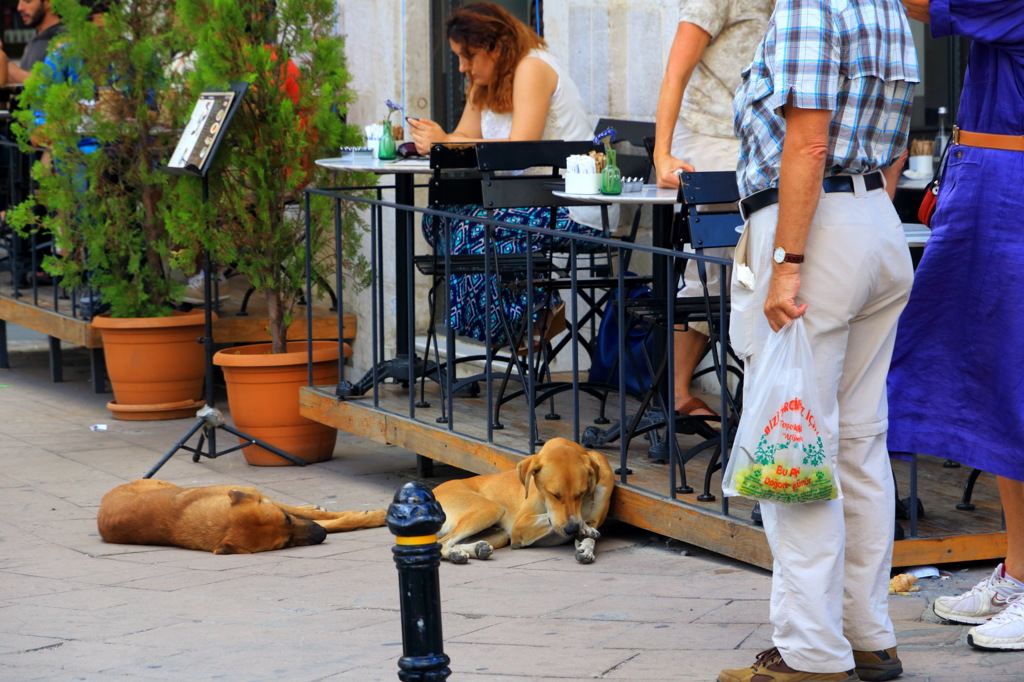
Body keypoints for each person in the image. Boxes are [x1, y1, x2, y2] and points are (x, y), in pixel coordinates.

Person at [722, 0, 917, 680]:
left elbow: (808, 142)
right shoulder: (883, 6)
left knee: (792, 444)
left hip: (814, 232)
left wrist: (788, 262)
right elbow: (895, 139)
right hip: (871, 221)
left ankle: (810, 654)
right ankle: (866, 636)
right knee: (858, 443)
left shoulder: (810, 6)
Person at [886, 0, 1024, 652]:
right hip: (992, 171)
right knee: (1001, 393)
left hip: (1010, 184)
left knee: (1015, 385)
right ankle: (1020, 572)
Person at [407, 2, 614, 346]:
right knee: (438, 219)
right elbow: (460, 138)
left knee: (474, 227)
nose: (461, 67)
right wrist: (436, 140)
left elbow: (521, 147)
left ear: (496, 47)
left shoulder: (532, 67)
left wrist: (446, 143)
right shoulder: (484, 82)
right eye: (458, 57)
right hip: (520, 200)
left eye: (468, 56)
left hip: (570, 203)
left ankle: (517, 323)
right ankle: (529, 312)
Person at [652, 0, 772, 418]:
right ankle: (680, 394)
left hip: (765, 147)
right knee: (710, 274)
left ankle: (763, 398)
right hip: (713, 141)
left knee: (763, 273)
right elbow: (675, 71)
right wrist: (662, 154)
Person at [0, 0, 65, 85]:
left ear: (48, 2)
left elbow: (48, 85)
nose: (19, 8)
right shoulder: (35, 41)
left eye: (28, 1)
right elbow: (23, 84)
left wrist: (3, 61)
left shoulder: (65, 39)